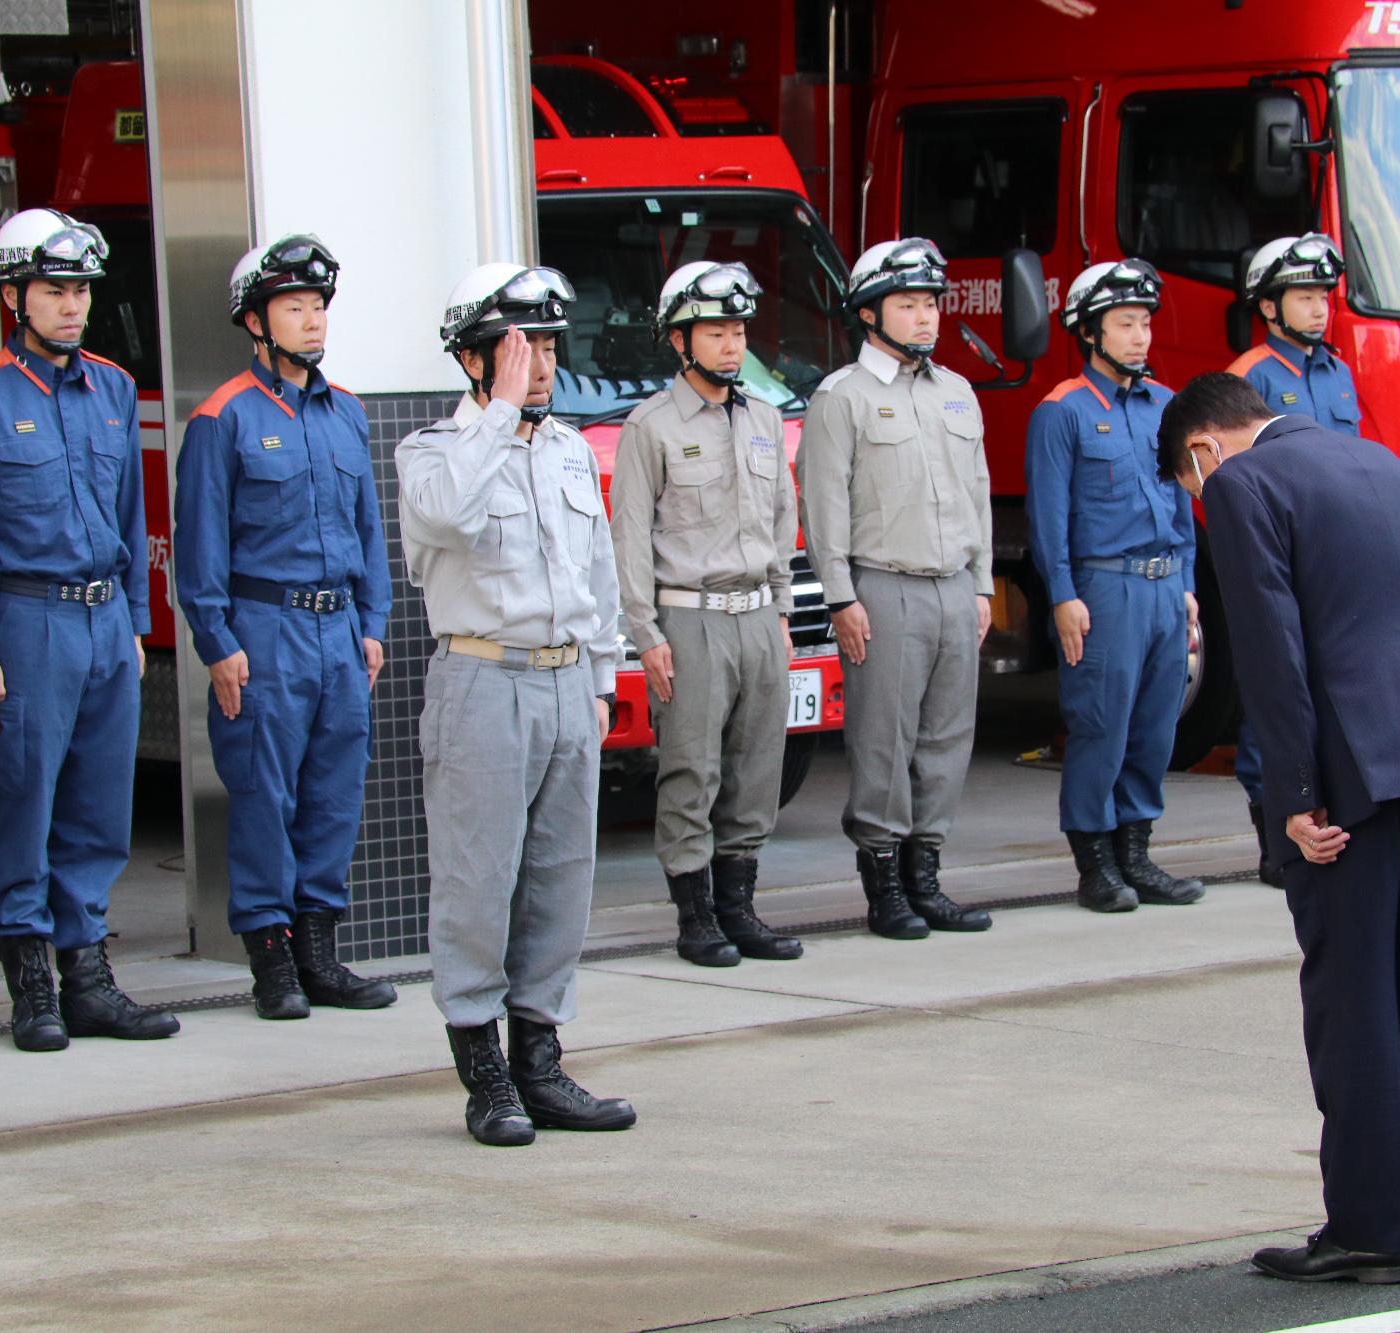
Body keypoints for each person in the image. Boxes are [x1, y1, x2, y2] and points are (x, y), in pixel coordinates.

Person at [1160, 373, 1400, 1285]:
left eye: (1189, 487)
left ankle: (1367, 1227)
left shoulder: (1244, 485)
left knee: (1354, 1000)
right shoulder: (1387, 466)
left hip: (1354, 772)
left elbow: (1271, 648)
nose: (1201, 503)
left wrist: (1295, 794)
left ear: (1202, 450)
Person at [0, 208, 178, 1050]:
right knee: (26, 797)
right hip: (25, 619)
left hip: (107, 617)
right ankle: (32, 985)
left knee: (99, 806)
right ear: (13, 295)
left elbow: (129, 508)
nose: (73, 306)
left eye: (80, 291)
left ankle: (88, 976)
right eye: (54, 291)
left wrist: (138, 625)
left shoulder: (110, 386)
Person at [397, 262, 636, 1147]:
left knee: (559, 882)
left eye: (544, 345)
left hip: (569, 680)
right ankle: (483, 1073)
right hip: (482, 680)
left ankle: (540, 1058)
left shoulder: (570, 448)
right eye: (516, 346)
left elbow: (598, 570)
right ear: (472, 357)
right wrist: (498, 413)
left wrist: (605, 679)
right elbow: (447, 518)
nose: (538, 363)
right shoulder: (431, 451)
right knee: (477, 879)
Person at [173, 234, 396, 1022]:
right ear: (256, 321)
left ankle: (319, 952)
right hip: (263, 630)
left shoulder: (348, 415)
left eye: (318, 307)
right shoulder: (221, 419)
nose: (312, 321)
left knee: (332, 794)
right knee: (264, 794)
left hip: (338, 633)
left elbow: (371, 529)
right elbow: (199, 547)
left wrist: (373, 623)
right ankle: (270, 961)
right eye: (294, 307)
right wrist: (217, 642)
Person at [797, 237, 993, 940]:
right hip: (883, 588)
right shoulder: (842, 399)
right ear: (870, 313)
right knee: (885, 740)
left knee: (946, 739)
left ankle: (926, 877)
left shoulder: (956, 393)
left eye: (931, 303)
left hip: (952, 588)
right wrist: (841, 597)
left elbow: (978, 495)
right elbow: (824, 507)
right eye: (908, 304)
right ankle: (884, 884)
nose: (927, 317)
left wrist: (983, 585)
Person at [610, 261, 804, 967]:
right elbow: (630, 538)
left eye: (739, 330)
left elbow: (783, 516)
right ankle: (695, 918)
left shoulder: (763, 417)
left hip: (758, 615)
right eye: (716, 331)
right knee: (691, 770)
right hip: (688, 620)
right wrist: (646, 632)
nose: (732, 344)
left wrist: (781, 609)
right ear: (679, 340)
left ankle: (739, 909)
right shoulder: (650, 426)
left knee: (758, 770)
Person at [1024, 259, 1205, 913]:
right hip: (1102, 590)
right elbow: (1049, 518)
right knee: (1100, 725)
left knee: (1156, 728)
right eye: (1125, 323)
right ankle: (1095, 861)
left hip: (1162, 587)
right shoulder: (1063, 412)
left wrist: (1185, 584)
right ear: (1090, 331)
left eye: (1145, 323)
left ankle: (1137, 853)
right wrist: (1062, 596)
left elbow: (1183, 500)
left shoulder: (1165, 404)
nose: (1140, 336)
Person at [1225, 233, 1363, 886]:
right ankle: (1274, 834)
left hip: (1339, 565)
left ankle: (1328, 821)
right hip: (1280, 563)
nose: (1319, 309)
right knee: (1275, 695)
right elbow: (1224, 481)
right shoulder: (1250, 374)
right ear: (1270, 307)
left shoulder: (1337, 372)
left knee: (1336, 689)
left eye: (1323, 298)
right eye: (1304, 297)